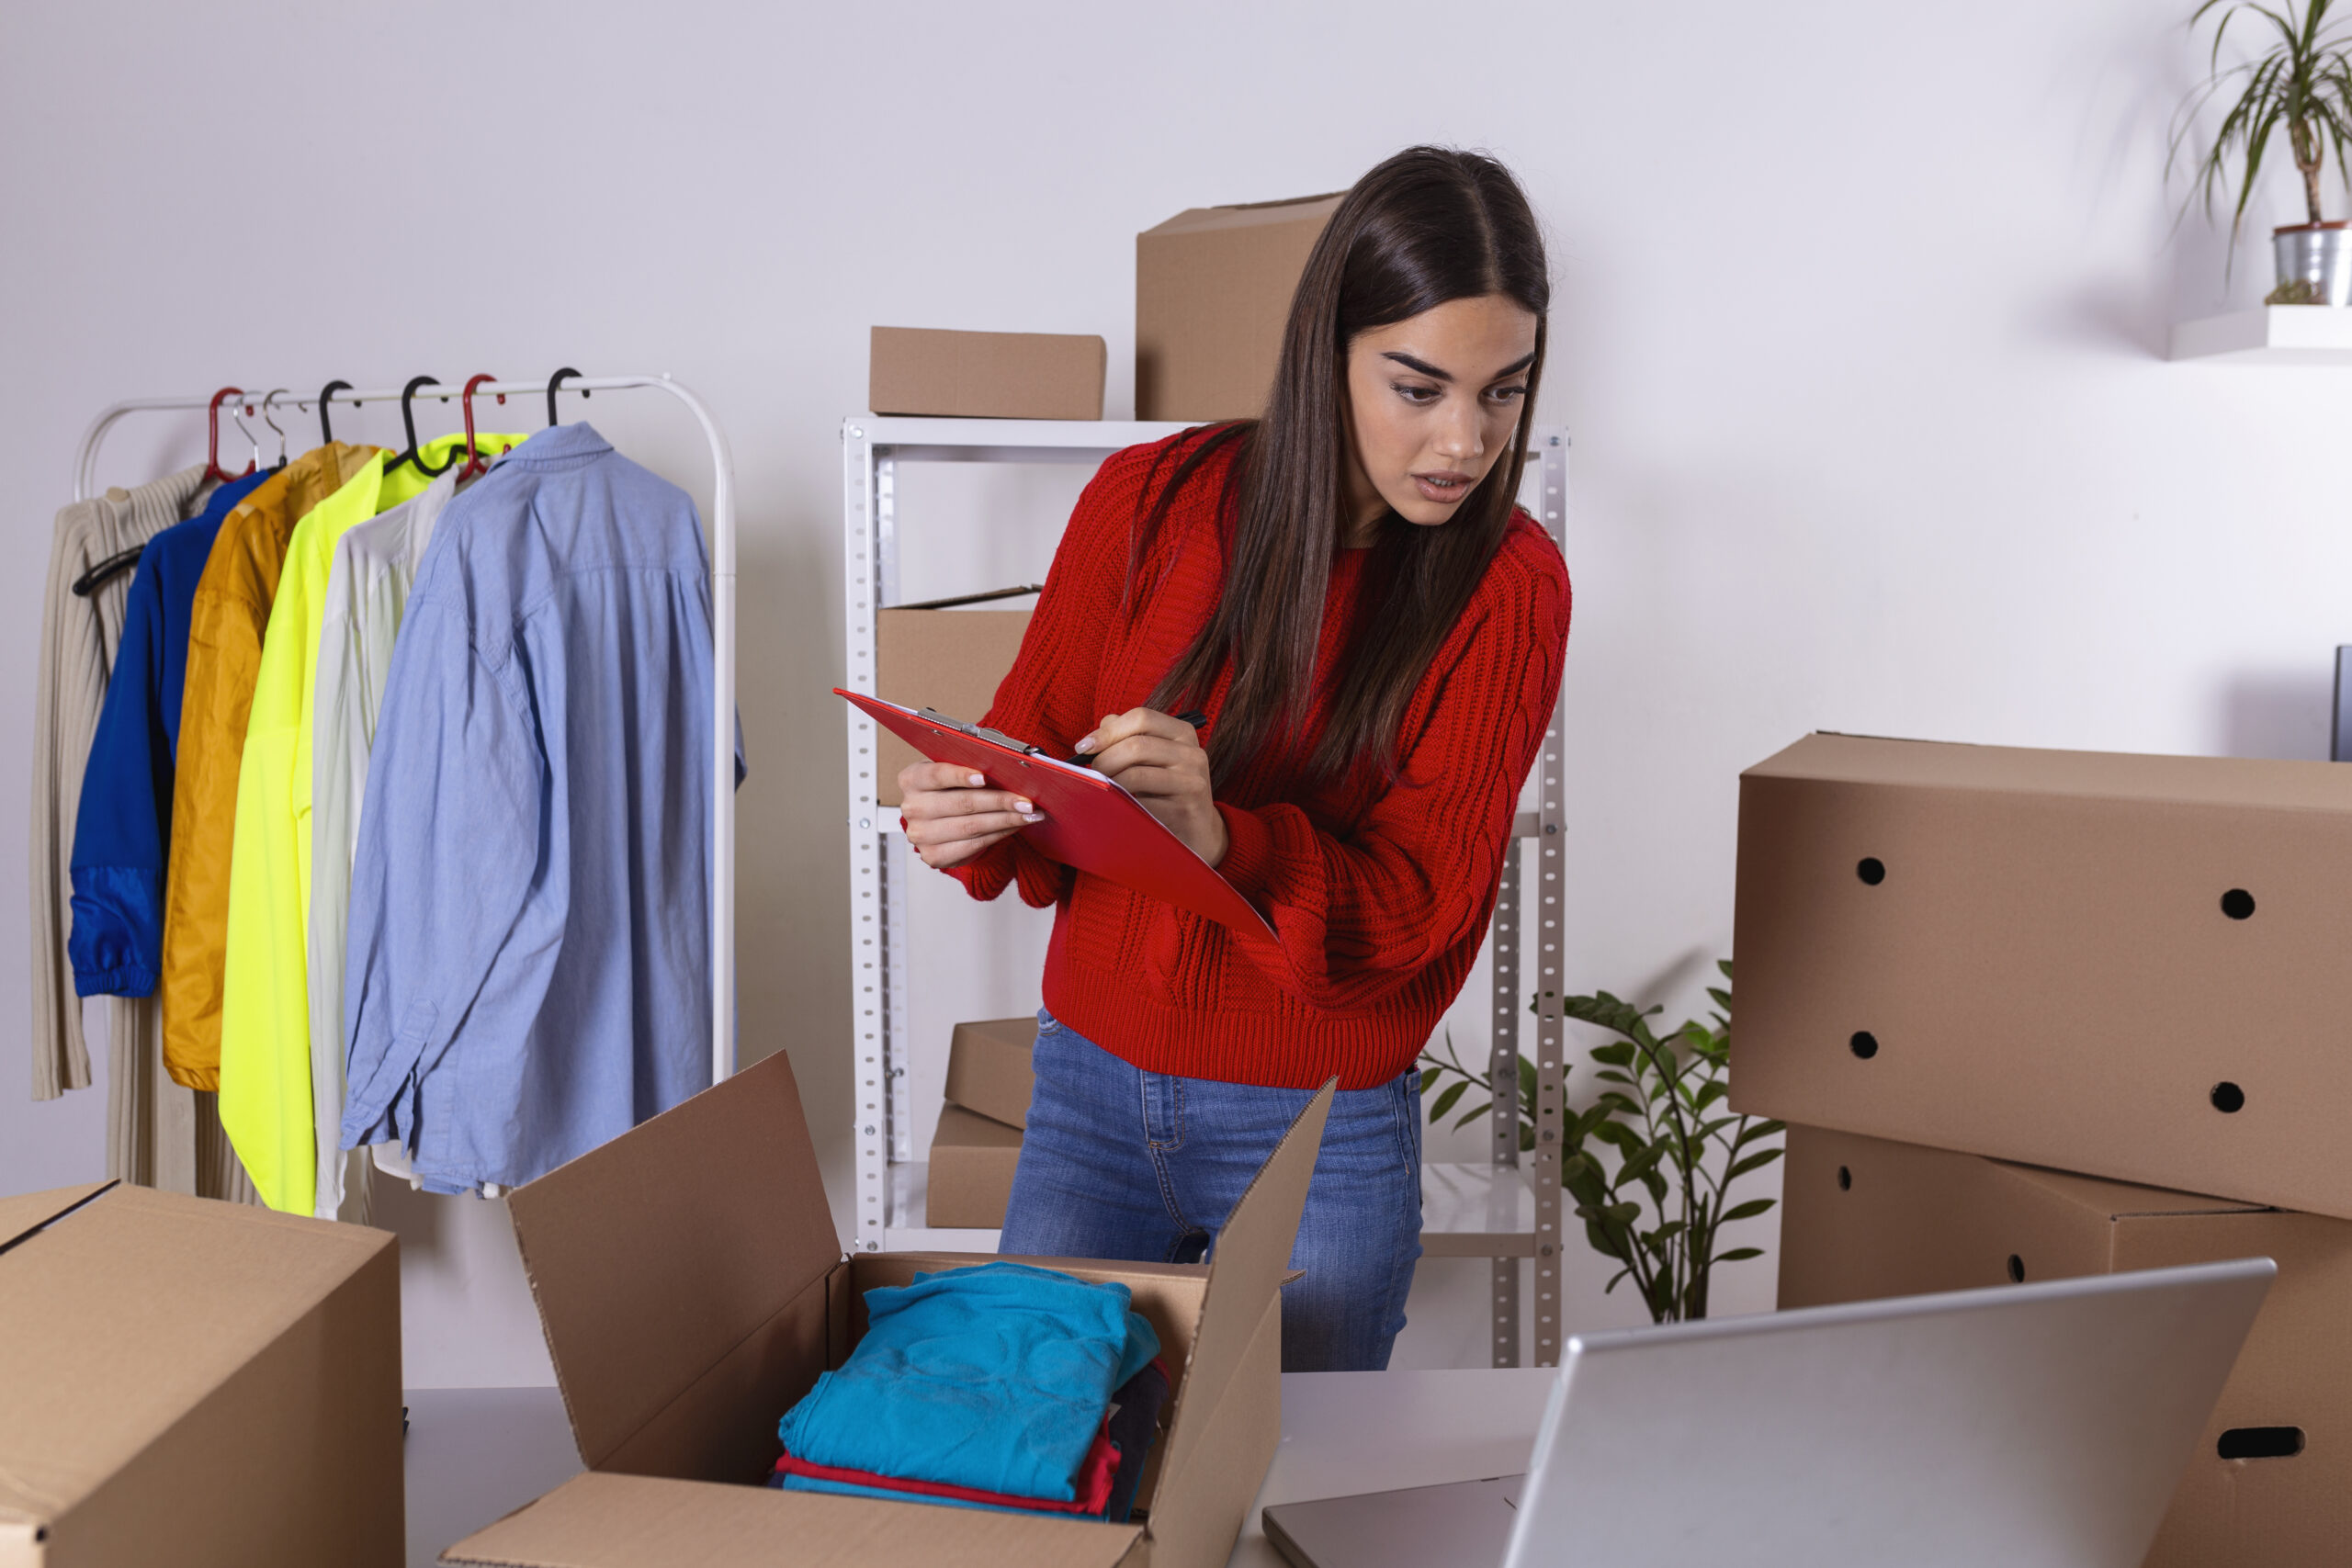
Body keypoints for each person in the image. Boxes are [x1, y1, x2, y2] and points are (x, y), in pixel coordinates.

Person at [899, 145, 1570, 1372]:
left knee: (1298, 1483)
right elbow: (1029, 750)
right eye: (1417, 387)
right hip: (1089, 1092)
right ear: (1328, 351)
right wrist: (962, 812)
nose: (1465, 441)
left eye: (1503, 391)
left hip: (1319, 1126)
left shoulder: (1509, 586)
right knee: (1044, 1475)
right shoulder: (1147, 500)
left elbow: (1426, 909)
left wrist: (1227, 838)